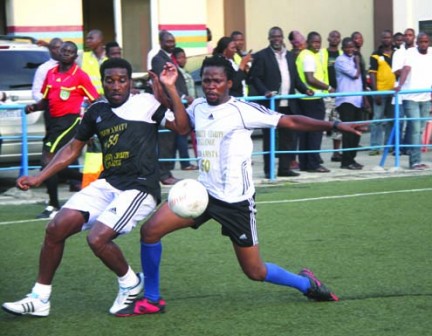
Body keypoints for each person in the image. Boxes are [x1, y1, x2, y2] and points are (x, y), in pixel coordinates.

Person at [114, 56, 366, 317]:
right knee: (151, 232)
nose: (210, 86)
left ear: (229, 83)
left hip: (236, 204)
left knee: (255, 271)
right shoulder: (198, 106)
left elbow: (290, 121)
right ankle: (153, 299)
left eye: (217, 81)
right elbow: (181, 124)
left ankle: (306, 283)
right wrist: (166, 88)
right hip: (202, 196)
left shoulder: (242, 110)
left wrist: (334, 124)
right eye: (207, 81)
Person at [1, 58, 190, 317]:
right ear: (101, 82)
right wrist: (40, 176)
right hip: (108, 183)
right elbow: (72, 148)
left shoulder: (146, 103)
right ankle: (40, 298)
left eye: (122, 80)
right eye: (109, 80)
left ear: (129, 82)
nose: (116, 86)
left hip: (140, 187)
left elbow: (182, 127)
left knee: (97, 238)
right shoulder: (96, 110)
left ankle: (130, 283)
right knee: (56, 228)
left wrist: (169, 88)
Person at [26, 41, 99, 219]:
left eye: (70, 51)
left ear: (75, 56)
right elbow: (46, 100)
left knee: (48, 160)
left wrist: (93, 125)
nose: (65, 53)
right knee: (52, 164)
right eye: (63, 50)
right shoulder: (51, 73)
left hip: (70, 122)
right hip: (52, 121)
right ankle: (86, 178)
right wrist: (34, 107)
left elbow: (95, 99)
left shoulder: (80, 76)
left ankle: (53, 205)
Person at [249, 26, 312, 178]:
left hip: (288, 104)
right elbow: (254, 78)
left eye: (279, 37)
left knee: (288, 137)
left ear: (283, 38)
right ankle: (269, 171)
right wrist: (265, 92)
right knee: (270, 138)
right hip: (271, 104)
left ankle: (284, 169)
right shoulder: (261, 56)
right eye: (273, 37)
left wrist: (305, 90)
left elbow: (295, 78)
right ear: (269, 38)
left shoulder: (290, 56)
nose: (276, 39)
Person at [296, 31, 335, 173]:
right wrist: (328, 87)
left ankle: (305, 163)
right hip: (312, 99)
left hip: (305, 98)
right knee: (315, 131)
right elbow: (310, 79)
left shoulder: (306, 55)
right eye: (314, 42)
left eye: (319, 42)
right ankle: (313, 164)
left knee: (306, 132)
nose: (317, 45)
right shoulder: (308, 56)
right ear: (308, 42)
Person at [151, 31, 187, 185]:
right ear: (160, 42)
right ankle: (164, 174)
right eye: (168, 41)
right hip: (166, 105)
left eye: (173, 41)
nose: (172, 44)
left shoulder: (169, 58)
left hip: (174, 105)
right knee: (165, 141)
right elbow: (165, 82)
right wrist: (181, 97)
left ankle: (166, 172)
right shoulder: (158, 59)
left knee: (171, 141)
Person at [395, 32, 432, 170]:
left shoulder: (431, 54)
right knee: (415, 130)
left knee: (421, 130)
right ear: (417, 42)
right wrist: (400, 84)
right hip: (410, 98)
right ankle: (414, 161)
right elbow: (406, 69)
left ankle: (417, 159)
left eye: (426, 41)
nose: (423, 44)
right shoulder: (410, 53)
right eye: (421, 42)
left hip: (426, 97)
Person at [335, 37, 364, 170]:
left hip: (357, 100)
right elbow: (355, 75)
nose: (350, 49)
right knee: (348, 132)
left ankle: (352, 158)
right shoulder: (341, 60)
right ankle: (346, 161)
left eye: (352, 47)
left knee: (357, 131)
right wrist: (358, 62)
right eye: (347, 47)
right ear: (343, 48)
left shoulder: (353, 58)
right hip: (346, 101)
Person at [368, 29, 396, 156]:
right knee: (377, 120)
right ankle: (375, 147)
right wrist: (376, 92)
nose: (386, 40)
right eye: (384, 38)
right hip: (380, 91)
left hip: (394, 92)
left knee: (391, 120)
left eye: (388, 37)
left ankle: (388, 146)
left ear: (392, 39)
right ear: (381, 39)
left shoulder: (397, 54)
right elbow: (372, 75)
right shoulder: (375, 54)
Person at [172, 46, 198, 171]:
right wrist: (184, 97)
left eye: (184, 57)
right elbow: (176, 89)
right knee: (182, 136)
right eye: (180, 57)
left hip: (191, 107)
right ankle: (185, 163)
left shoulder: (185, 71)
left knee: (187, 135)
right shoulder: (175, 72)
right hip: (182, 107)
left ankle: (188, 161)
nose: (183, 59)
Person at [392, 28, 416, 155]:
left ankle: (408, 147)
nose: (408, 37)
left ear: (414, 37)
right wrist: (410, 72)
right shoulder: (398, 53)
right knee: (399, 121)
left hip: (415, 92)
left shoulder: (419, 52)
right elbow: (396, 71)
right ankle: (397, 148)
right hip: (401, 91)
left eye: (410, 35)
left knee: (413, 123)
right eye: (406, 35)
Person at [323, 30, 343, 163]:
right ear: (328, 38)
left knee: (337, 123)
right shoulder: (323, 54)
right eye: (333, 37)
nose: (335, 39)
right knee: (322, 124)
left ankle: (336, 153)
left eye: (337, 37)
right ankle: (315, 154)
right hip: (326, 94)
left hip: (339, 94)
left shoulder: (342, 54)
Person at [78, 29, 108, 95]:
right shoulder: (82, 56)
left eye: (91, 38)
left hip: (107, 97)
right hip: (88, 98)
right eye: (87, 39)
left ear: (100, 39)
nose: (87, 41)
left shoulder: (110, 56)